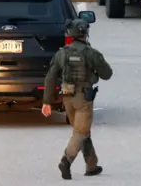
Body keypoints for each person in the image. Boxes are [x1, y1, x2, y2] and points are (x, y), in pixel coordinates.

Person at [41, 19, 113, 180]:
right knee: (80, 132)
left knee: (82, 132)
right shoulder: (91, 53)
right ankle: (66, 161)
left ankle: (92, 165)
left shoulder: (62, 53)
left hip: (67, 99)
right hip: (84, 99)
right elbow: (107, 74)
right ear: (85, 33)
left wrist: (47, 102)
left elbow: (50, 77)